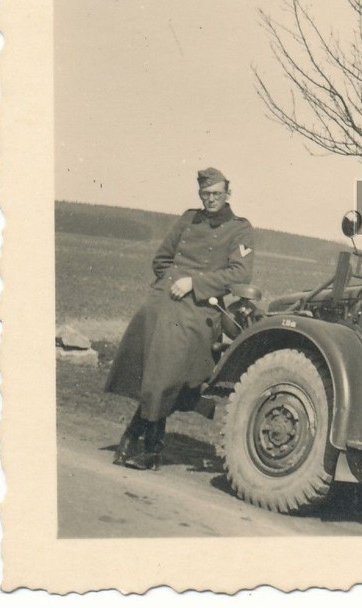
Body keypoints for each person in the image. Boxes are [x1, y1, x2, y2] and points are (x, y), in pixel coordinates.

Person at [105, 168, 255, 470]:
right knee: (150, 363)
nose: (210, 200)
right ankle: (147, 445)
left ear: (228, 193)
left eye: (216, 194)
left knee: (165, 367)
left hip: (201, 307)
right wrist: (169, 283)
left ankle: (141, 441)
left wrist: (193, 284)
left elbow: (240, 273)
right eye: (205, 195)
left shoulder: (240, 229)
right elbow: (161, 259)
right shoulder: (188, 219)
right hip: (166, 298)